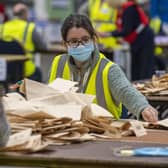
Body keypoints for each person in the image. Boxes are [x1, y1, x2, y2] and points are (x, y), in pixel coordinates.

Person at [49, 14, 158, 122]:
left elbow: (125, 90)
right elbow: (48, 96)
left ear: (93, 39)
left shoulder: (108, 69)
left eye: (85, 39)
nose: (80, 45)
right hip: (66, 131)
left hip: (105, 133)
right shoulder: (58, 63)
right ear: (65, 44)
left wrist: (143, 107)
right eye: (74, 41)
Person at [98, 0, 155, 81]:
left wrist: (108, 34)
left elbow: (126, 30)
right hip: (137, 41)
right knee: (136, 68)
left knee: (144, 67)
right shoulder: (123, 10)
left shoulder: (129, 9)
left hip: (143, 40)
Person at [0, 3, 47, 82]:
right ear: (25, 13)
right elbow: (43, 47)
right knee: (38, 73)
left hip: (4, 69)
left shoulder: (2, 27)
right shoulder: (30, 27)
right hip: (25, 70)